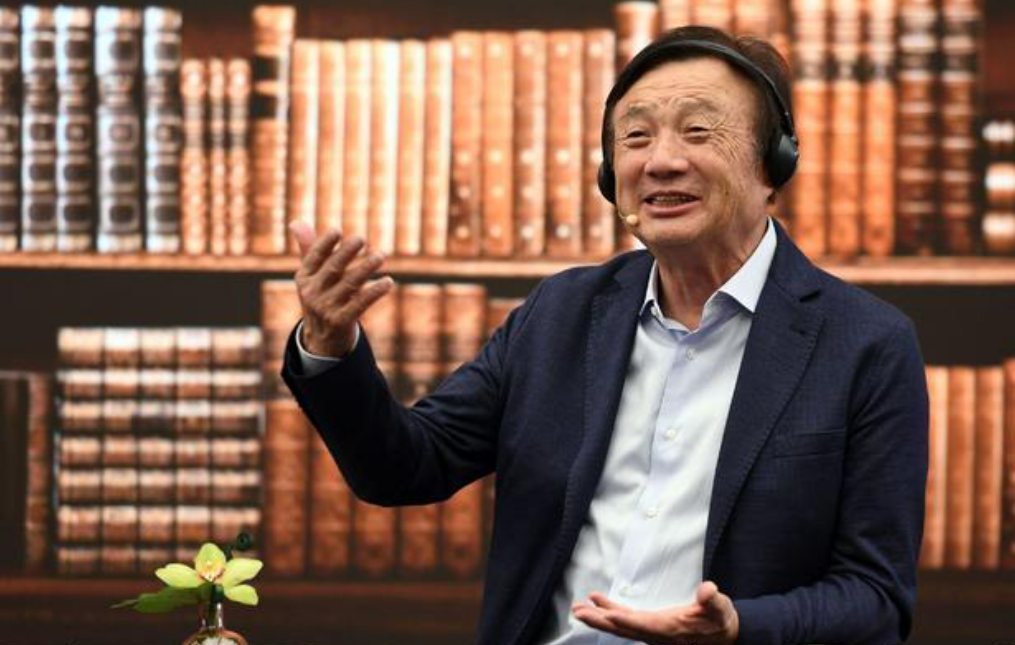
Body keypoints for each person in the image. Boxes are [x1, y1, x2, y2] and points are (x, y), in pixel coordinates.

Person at [282, 25, 929, 645]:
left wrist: (740, 628)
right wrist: (330, 343)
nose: (661, 162)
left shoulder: (866, 345)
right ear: (608, 174)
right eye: (635, 137)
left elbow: (874, 594)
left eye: (698, 132)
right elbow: (403, 467)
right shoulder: (560, 313)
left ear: (773, 163)